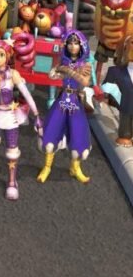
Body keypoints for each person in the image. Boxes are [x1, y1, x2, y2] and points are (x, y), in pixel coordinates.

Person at [0, 40, 42, 200]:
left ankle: (12, 181)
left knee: (12, 150)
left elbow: (27, 94)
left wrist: (36, 115)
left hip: (10, 114)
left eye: (1, 55)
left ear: (7, 56)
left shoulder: (13, 75)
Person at [38, 30, 92, 184]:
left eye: (76, 43)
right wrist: (61, 69)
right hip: (62, 100)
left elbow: (85, 82)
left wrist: (67, 71)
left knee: (78, 132)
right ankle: (47, 166)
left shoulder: (86, 64)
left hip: (75, 100)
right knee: (52, 129)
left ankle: (75, 168)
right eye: (70, 43)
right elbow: (52, 75)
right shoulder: (62, 61)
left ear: (81, 45)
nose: (72, 46)